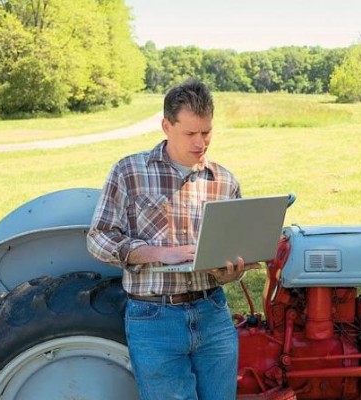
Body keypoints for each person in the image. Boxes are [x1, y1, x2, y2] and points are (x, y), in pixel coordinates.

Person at [87, 78, 255, 400]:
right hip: (153, 318)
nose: (200, 143)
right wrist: (156, 252)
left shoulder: (224, 181)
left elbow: (235, 251)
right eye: (190, 133)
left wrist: (233, 271)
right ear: (166, 125)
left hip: (213, 312)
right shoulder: (129, 171)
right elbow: (98, 238)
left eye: (206, 132)